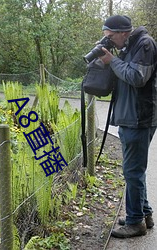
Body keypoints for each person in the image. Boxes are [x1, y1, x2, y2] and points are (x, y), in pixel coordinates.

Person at [99, 15, 157, 238]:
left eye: (111, 37)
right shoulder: (128, 46)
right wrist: (109, 60)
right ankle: (144, 214)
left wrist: (112, 61)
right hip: (129, 117)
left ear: (123, 32)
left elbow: (136, 77)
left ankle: (135, 223)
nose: (110, 41)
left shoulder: (145, 44)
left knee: (132, 171)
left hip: (139, 118)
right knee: (134, 171)